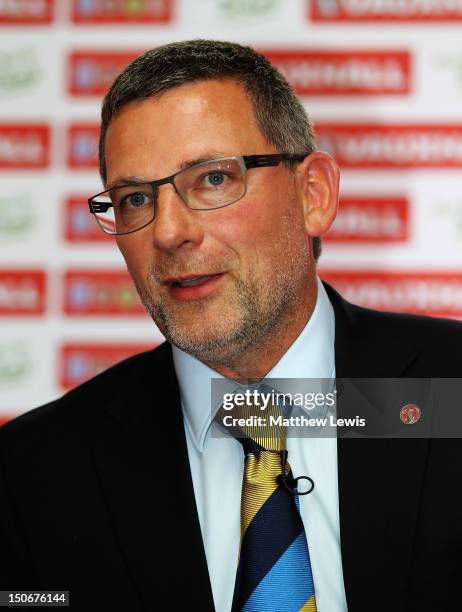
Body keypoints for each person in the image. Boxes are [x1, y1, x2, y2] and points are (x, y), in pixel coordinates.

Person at [1, 39, 461, 612]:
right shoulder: (32, 474)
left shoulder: (451, 390)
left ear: (313, 194)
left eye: (213, 179)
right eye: (135, 199)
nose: (168, 232)